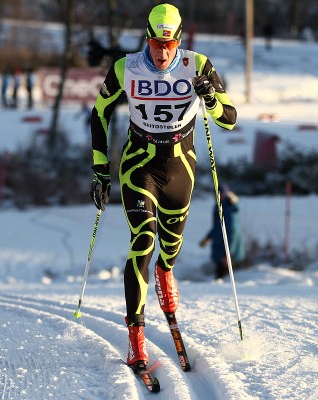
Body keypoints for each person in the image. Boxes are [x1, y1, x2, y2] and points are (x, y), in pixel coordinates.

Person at [89, 3, 236, 371]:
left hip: (180, 166)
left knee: (169, 248)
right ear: (148, 38)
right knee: (144, 241)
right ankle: (136, 339)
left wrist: (211, 98)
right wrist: (100, 168)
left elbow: (229, 120)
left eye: (169, 45)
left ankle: (166, 270)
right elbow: (99, 112)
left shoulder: (198, 65)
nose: (162, 51)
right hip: (139, 164)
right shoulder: (127, 67)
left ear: (180, 39)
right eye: (156, 43)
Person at [199, 184, 245, 280]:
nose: (214, 196)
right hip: (220, 248)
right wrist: (208, 238)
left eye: (216, 194)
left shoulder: (228, 207)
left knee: (225, 279)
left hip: (226, 251)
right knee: (219, 277)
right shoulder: (219, 206)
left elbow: (232, 231)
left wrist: (228, 253)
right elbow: (218, 227)